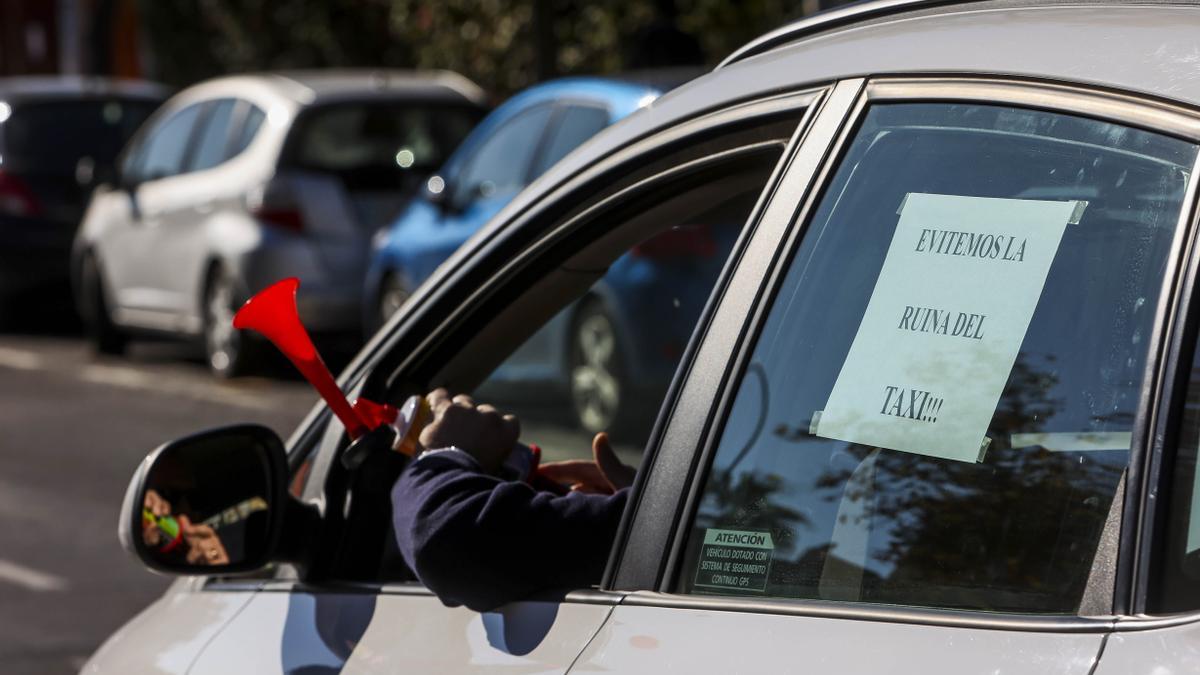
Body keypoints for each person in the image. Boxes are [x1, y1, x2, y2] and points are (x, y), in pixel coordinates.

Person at [391, 388, 636, 612]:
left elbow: (445, 541)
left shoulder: (652, 527)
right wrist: (634, 499)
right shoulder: (649, 527)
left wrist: (441, 453)